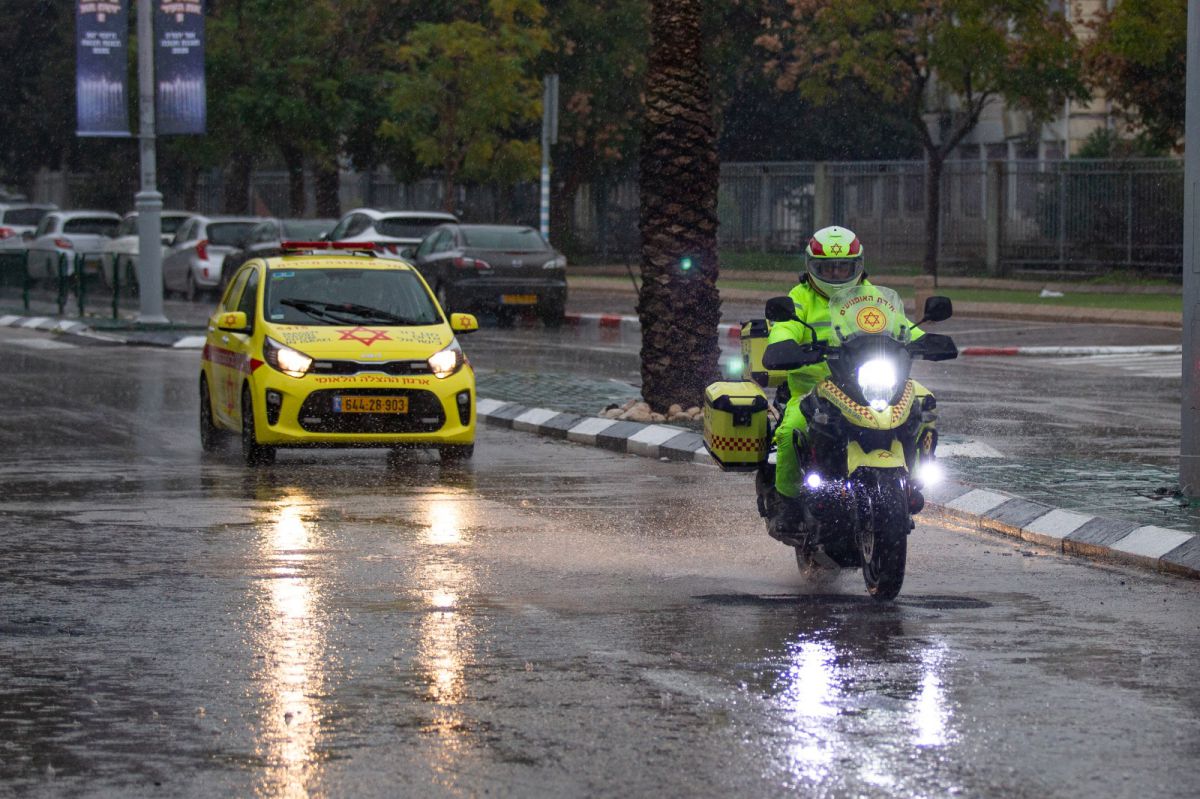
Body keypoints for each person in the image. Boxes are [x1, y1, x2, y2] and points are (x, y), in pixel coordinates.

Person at [762, 225, 927, 531]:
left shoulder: (873, 296)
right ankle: (789, 503)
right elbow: (784, 328)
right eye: (828, 268)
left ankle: (913, 481)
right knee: (791, 429)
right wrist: (783, 346)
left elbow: (902, 325)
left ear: (858, 266)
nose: (836, 274)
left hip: (866, 385)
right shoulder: (800, 298)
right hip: (813, 388)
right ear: (812, 267)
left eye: (843, 267)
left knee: (922, 407)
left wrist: (925, 340)